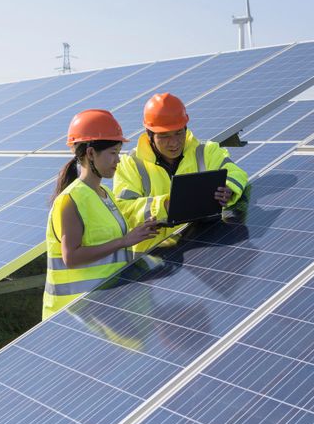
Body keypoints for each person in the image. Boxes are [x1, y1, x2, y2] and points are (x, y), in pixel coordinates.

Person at [43, 109, 161, 320]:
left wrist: (138, 232)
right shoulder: (70, 200)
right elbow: (71, 257)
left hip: (105, 309)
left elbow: (112, 240)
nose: (118, 160)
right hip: (74, 317)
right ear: (90, 154)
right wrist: (124, 241)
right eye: (113, 153)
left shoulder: (106, 194)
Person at [113, 92, 249, 254]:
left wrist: (229, 189)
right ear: (149, 135)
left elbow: (237, 173)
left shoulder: (206, 151)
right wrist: (164, 206)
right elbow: (123, 211)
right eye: (164, 136)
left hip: (205, 244)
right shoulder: (130, 164)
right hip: (155, 257)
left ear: (186, 128)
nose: (174, 143)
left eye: (179, 133)